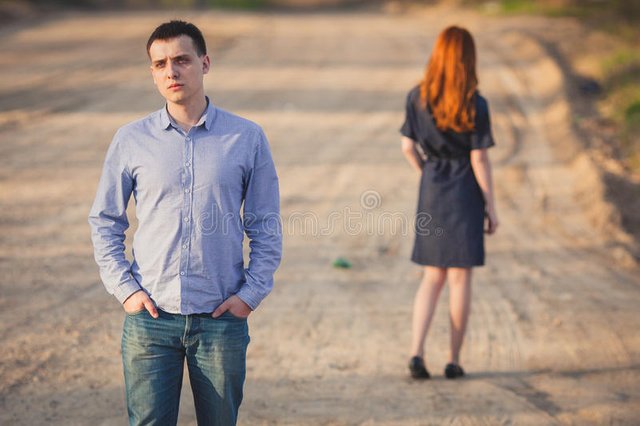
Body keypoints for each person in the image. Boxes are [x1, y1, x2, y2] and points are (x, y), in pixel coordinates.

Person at [88, 20, 282, 425]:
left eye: (181, 60)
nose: (171, 72)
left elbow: (265, 224)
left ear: (205, 63)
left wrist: (251, 294)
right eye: (160, 64)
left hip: (221, 320)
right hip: (150, 321)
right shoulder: (130, 140)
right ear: (153, 73)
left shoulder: (246, 138)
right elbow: (106, 220)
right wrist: (126, 291)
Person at [400, 26, 498, 380]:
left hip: (433, 190)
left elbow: (407, 147)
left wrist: (427, 172)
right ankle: (453, 360)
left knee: (431, 278)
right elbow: (479, 160)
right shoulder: (475, 102)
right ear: (468, 59)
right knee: (460, 280)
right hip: (465, 193)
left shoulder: (417, 97)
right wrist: (490, 205)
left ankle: (416, 353)